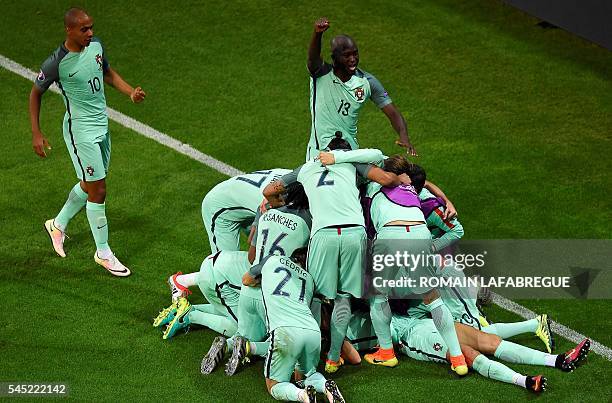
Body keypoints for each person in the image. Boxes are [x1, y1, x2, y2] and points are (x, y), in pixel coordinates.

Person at [263, 134, 406, 375]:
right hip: (354, 233)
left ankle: (305, 360)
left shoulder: (306, 168)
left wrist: (275, 203)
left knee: (316, 297)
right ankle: (344, 357)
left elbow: (269, 190)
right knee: (349, 296)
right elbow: (386, 179)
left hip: (323, 236)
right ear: (347, 152)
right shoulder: (353, 163)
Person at [320, 151, 468, 375]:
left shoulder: (370, 188)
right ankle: (458, 358)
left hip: (389, 235)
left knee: (378, 295)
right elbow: (425, 182)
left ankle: (387, 353)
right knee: (433, 298)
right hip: (419, 233)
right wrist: (446, 200)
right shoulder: (412, 187)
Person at [30, 7, 146, 277]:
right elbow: (35, 93)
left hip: (101, 127)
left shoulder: (96, 46)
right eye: (84, 29)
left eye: (91, 27)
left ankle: (57, 225)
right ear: (69, 30)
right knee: (99, 190)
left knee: (90, 183)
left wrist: (130, 93)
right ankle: (103, 253)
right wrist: (36, 132)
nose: (90, 33)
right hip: (79, 131)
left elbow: (107, 72)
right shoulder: (56, 63)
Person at [201, 183, 313, 376]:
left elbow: (252, 257)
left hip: (249, 289)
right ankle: (249, 347)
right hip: (275, 294)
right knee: (281, 342)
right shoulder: (308, 222)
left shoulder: (266, 214)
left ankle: (227, 345)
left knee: (243, 332)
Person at [344, 310, 591, 393]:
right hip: (413, 337)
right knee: (465, 354)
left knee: (488, 340)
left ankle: (558, 360)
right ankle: (525, 381)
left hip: (423, 319)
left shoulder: (345, 306)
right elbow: (354, 356)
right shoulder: (342, 339)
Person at [305, 17, 417, 161]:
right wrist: (317, 33)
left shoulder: (367, 82)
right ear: (334, 58)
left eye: (355, 53)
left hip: (349, 153)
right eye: (346, 55)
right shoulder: (321, 73)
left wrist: (404, 137)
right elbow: (312, 58)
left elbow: (393, 113)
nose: (353, 59)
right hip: (317, 152)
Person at [257, 248, 345, 403]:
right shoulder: (309, 280)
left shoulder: (272, 260)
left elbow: (247, 279)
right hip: (312, 331)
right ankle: (325, 385)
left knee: (273, 385)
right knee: (307, 375)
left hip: (285, 331)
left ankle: (303, 396)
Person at [153, 250, 249, 340]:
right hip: (217, 280)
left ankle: (185, 309)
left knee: (234, 310)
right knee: (248, 332)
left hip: (214, 262)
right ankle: (190, 316)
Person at [201, 169, 290, 254]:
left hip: (247, 199)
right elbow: (252, 249)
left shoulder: (297, 175)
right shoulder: (279, 204)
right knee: (225, 264)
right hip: (220, 206)